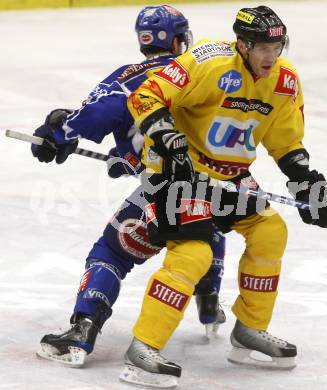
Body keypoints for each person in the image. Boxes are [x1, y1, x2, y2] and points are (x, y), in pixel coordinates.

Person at [122, 5, 327, 388]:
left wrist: (308, 182)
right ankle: (144, 346)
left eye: (277, 47)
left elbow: (285, 141)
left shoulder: (285, 80)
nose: (270, 56)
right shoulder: (208, 59)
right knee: (194, 253)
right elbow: (145, 96)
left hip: (230, 175)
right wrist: (165, 135)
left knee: (271, 231)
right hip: (179, 172)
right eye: (261, 48)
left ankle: (249, 331)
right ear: (242, 44)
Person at [31, 5, 226, 368]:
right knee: (205, 232)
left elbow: (97, 116)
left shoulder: (130, 76)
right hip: (216, 186)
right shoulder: (205, 72)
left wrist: (58, 131)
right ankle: (209, 300)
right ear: (180, 37)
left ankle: (84, 326)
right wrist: (127, 157)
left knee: (111, 252)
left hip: (161, 192)